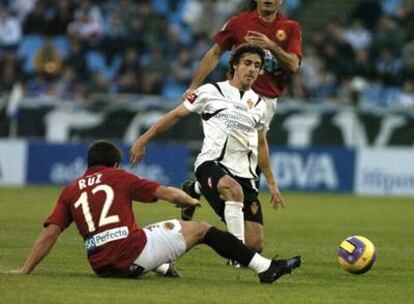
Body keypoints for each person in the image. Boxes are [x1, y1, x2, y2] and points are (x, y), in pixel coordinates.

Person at [6, 140, 302, 284]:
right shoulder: (119, 177)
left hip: (100, 264)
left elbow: (51, 232)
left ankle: (162, 266)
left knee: (161, 231)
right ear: (116, 164)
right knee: (201, 229)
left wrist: (26, 269)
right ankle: (265, 268)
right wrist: (189, 199)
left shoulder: (70, 190)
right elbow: (164, 193)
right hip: (129, 255)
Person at [130, 44, 275, 257]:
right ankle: (236, 256)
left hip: (245, 174)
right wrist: (143, 139)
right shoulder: (210, 91)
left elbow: (262, 143)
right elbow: (175, 115)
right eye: (247, 63)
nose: (252, 69)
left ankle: (195, 189)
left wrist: (271, 182)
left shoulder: (261, 104)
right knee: (233, 191)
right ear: (235, 65)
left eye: (257, 65)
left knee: (255, 245)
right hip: (212, 164)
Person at [180, 0, 302, 233]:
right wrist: (194, 86)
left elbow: (293, 64)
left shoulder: (290, 27)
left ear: (281, 1)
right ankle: (239, 235)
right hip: (236, 97)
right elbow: (215, 52)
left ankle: (195, 189)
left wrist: (272, 46)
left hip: (265, 102)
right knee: (244, 161)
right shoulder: (239, 23)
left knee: (245, 161)